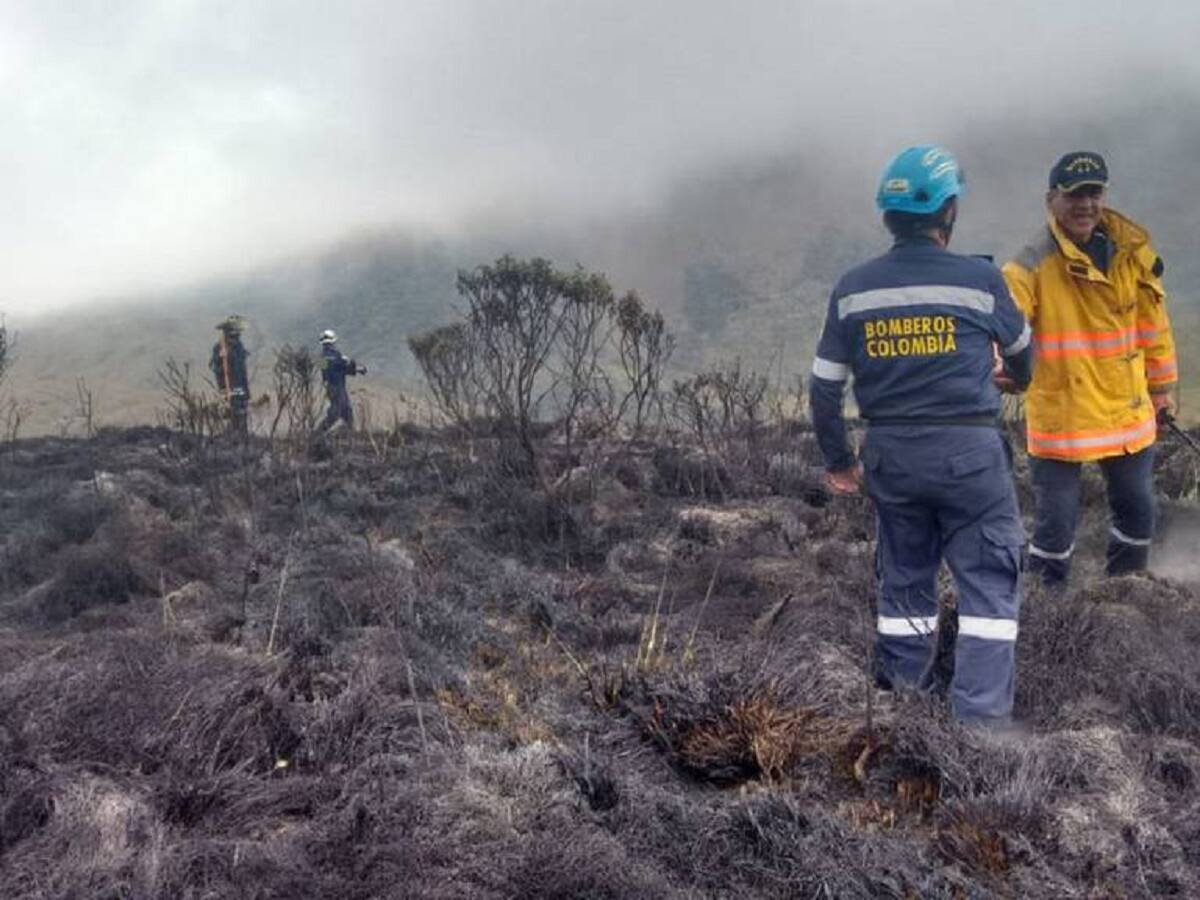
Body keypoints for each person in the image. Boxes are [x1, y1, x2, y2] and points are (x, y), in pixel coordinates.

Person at [809, 145, 1033, 726]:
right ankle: (980, 733)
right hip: (969, 459)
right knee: (987, 589)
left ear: (889, 216)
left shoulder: (853, 288)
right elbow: (1022, 357)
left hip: (891, 459)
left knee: (905, 583)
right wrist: (1010, 377)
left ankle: (906, 716)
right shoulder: (980, 280)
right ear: (948, 212)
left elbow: (824, 388)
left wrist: (839, 462)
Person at [1001, 153, 1177, 585]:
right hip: (1064, 415)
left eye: (1093, 193)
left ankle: (1126, 595)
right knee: (1055, 527)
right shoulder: (1027, 267)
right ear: (1052, 200)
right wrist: (998, 368)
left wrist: (1161, 389)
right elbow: (1004, 330)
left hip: (1127, 411)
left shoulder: (1131, 254)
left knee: (1139, 513)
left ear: (1105, 196)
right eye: (1074, 194)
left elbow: (1153, 326)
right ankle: (1047, 613)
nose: (1085, 204)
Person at [318, 329, 366, 433]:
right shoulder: (336, 356)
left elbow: (330, 370)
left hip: (331, 387)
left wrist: (355, 368)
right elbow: (344, 368)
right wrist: (356, 367)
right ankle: (318, 432)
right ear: (333, 342)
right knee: (336, 412)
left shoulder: (321, 357)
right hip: (337, 387)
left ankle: (350, 432)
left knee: (346, 411)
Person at [210, 315, 251, 435]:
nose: (238, 333)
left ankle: (242, 436)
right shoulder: (220, 347)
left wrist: (246, 391)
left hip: (241, 384)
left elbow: (242, 370)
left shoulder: (239, 346)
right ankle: (233, 436)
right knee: (234, 410)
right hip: (229, 385)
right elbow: (219, 369)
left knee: (242, 409)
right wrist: (224, 389)